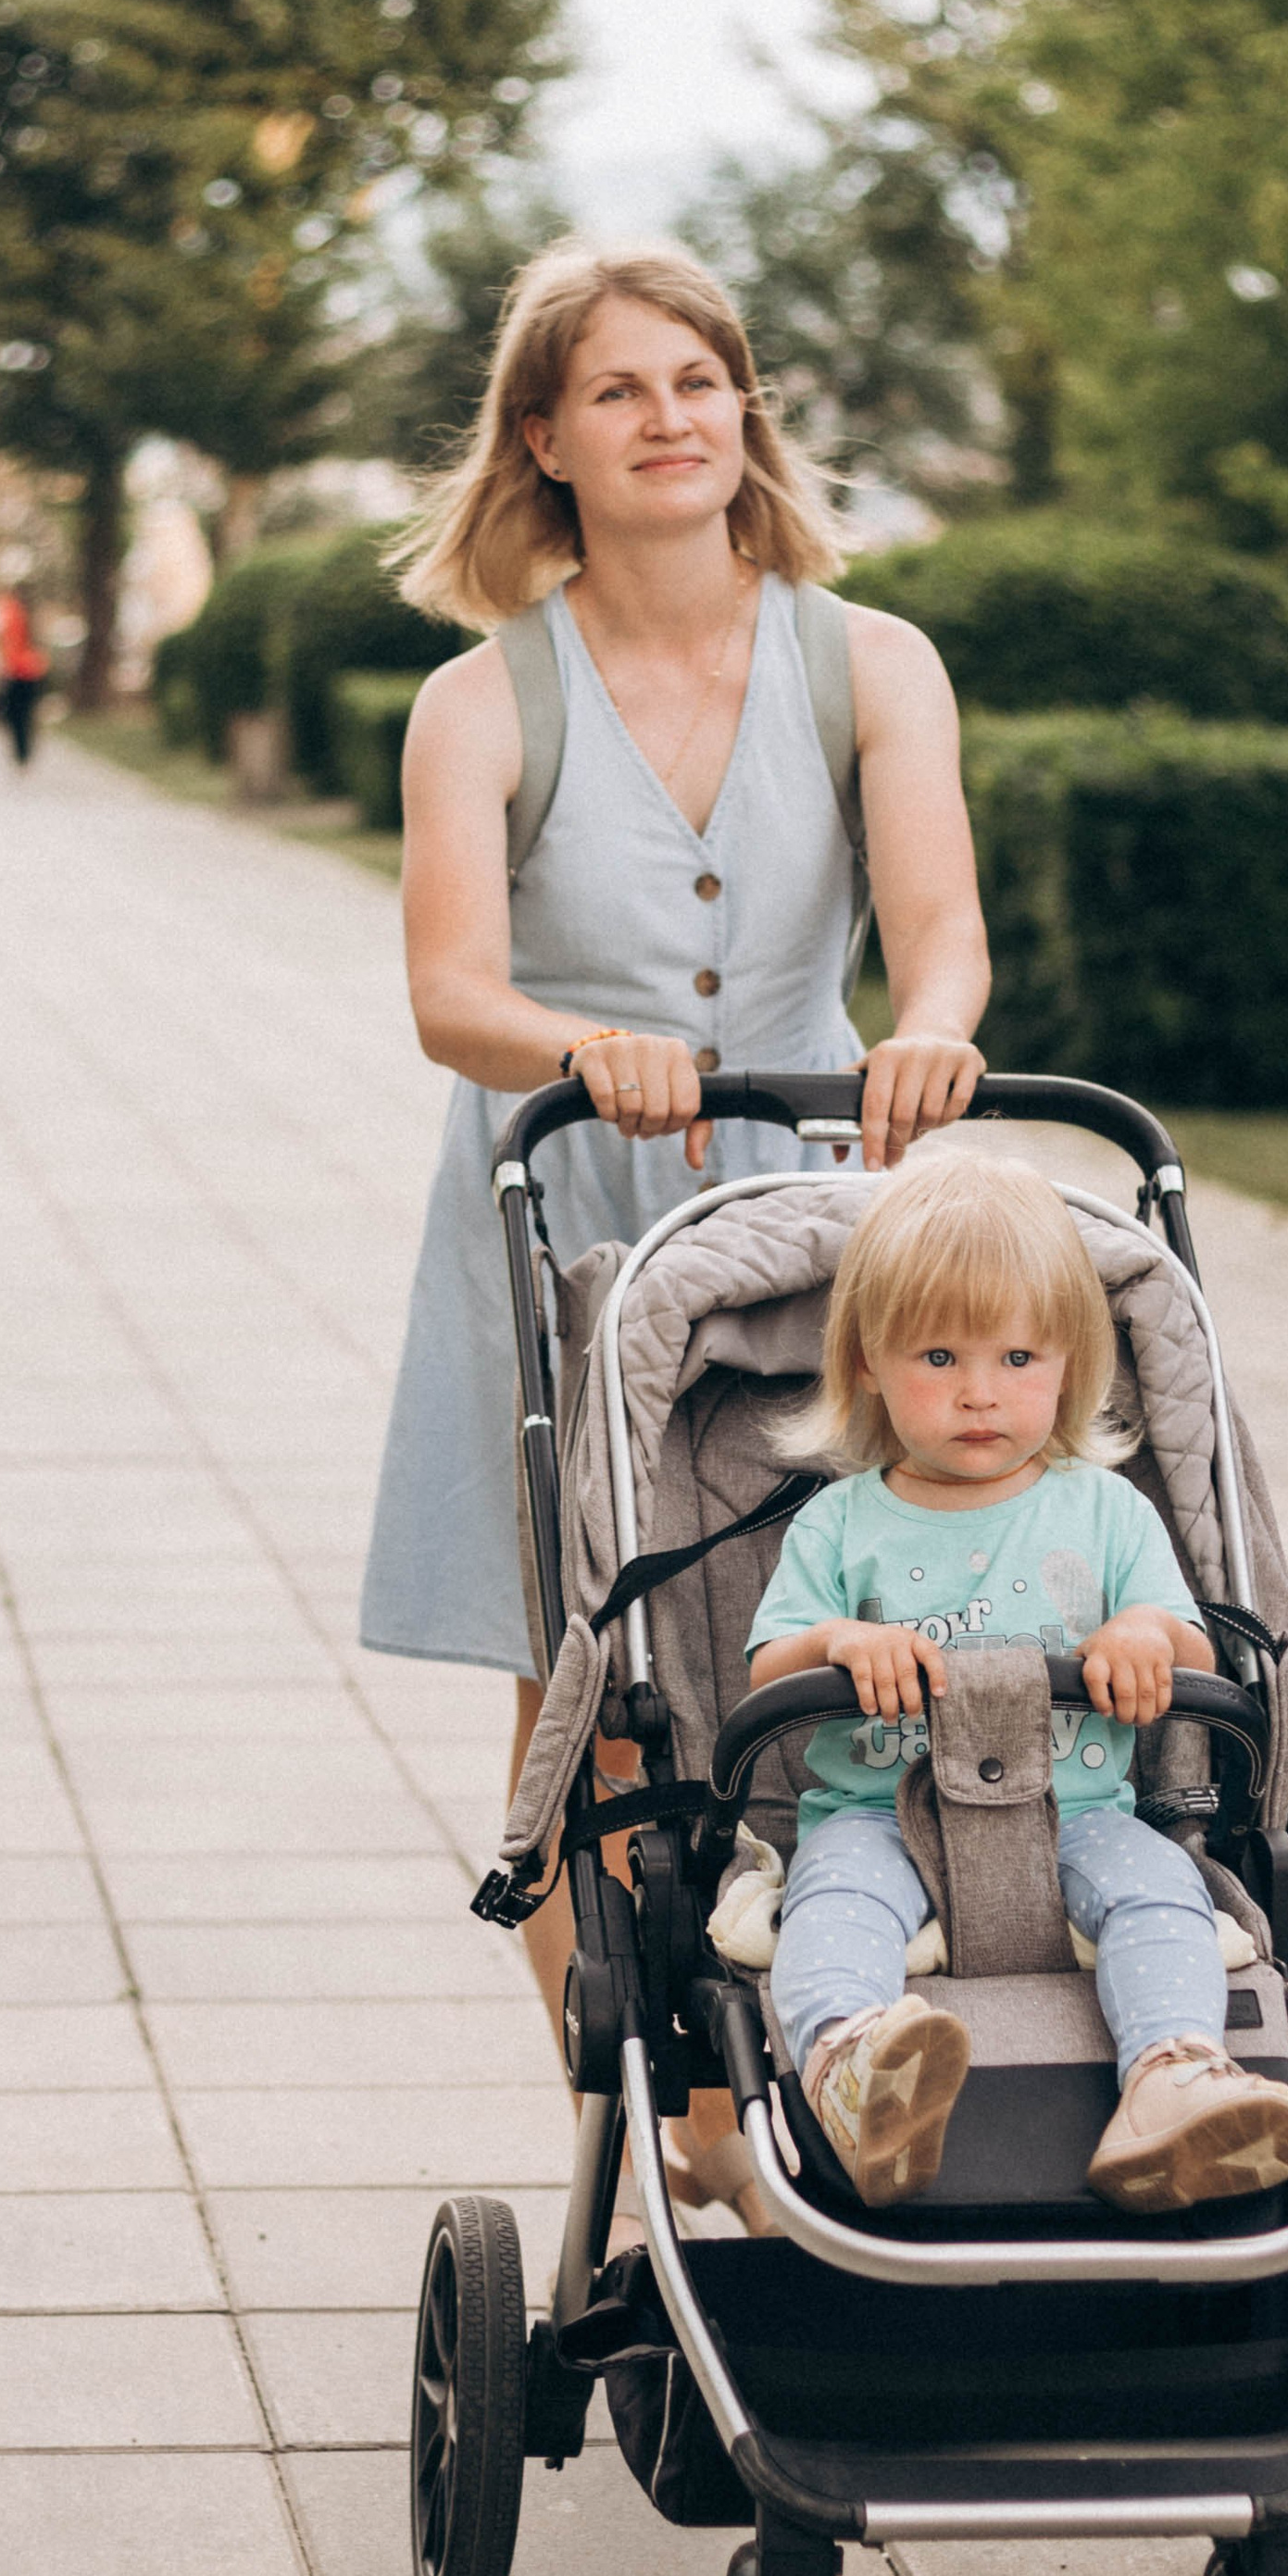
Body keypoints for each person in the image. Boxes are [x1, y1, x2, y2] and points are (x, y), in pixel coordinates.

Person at [361, 238, 991, 2227]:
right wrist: (588, 1045)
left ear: (745, 413)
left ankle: (826, 2023)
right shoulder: (483, 703)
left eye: (698, 381)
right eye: (618, 391)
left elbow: (939, 927)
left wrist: (936, 1031)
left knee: (824, 1636)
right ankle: (660, 2116)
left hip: (803, 1208)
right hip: (564, 1215)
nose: (668, 419)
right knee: (582, 1686)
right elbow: (452, 991)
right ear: (540, 437)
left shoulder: (866, 660)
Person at [746, 1151, 1288, 2214]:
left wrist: (1145, 1635)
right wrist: (837, 1643)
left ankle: (1173, 2075)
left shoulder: (1104, 1512)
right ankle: (848, 2065)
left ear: (1070, 1364)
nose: (979, 1390)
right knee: (834, 1900)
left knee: (1160, 1891)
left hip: (1076, 1814)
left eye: (1016, 1355)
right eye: (938, 1355)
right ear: (867, 1362)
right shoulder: (837, 1523)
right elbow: (767, 1669)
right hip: (881, 1815)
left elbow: (1190, 1648)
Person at [0, 588, 48, 767]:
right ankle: (23, 753)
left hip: (18, 672)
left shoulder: (11, 613)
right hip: (29, 671)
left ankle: (21, 753)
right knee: (23, 715)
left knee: (16, 715)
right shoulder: (28, 616)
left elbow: (5, 643)